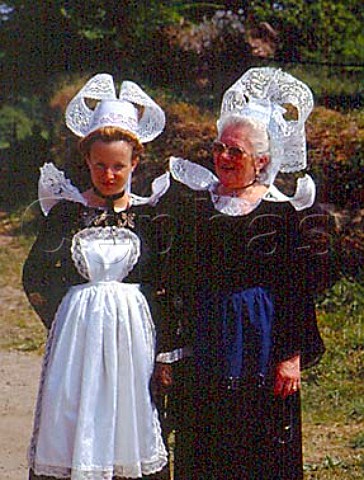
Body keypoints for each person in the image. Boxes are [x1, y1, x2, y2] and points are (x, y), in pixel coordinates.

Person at [159, 67, 330, 479]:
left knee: (261, 440)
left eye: (235, 152)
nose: (223, 157)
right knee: (205, 439)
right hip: (207, 340)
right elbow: (175, 279)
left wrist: (291, 356)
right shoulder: (197, 209)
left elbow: (295, 288)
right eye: (219, 148)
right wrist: (169, 349)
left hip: (261, 342)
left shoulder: (279, 214)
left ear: (262, 161)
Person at [23, 73, 171, 480]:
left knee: (131, 414)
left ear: (135, 164)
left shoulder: (149, 216)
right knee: (75, 412)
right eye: (100, 165)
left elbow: (165, 281)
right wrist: (69, 316)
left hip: (134, 335)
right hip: (79, 337)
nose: (109, 175)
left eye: (118, 166)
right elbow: (34, 275)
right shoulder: (67, 214)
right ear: (87, 160)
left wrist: (163, 346)